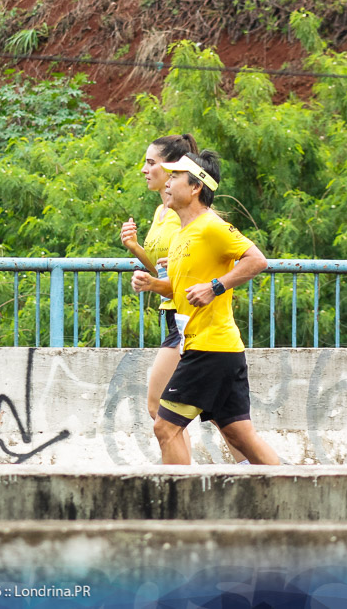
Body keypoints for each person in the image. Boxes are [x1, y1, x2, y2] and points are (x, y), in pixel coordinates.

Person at [131, 150, 280, 465]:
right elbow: (181, 289)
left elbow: (257, 260)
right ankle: (302, 491)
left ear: (196, 187)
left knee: (165, 426)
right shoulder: (181, 234)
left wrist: (216, 287)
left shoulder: (211, 226)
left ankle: (180, 509)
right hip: (214, 348)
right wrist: (151, 283)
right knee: (241, 436)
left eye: (174, 177)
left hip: (211, 347)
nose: (167, 184)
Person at [121, 135, 246, 463]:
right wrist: (136, 251)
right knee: (224, 420)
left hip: (190, 318)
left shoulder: (188, 212)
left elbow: (227, 259)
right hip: (173, 313)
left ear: (174, 168)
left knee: (160, 411)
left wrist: (213, 286)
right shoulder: (162, 211)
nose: (145, 170)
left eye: (152, 163)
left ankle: (182, 481)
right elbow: (169, 271)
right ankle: (257, 472)